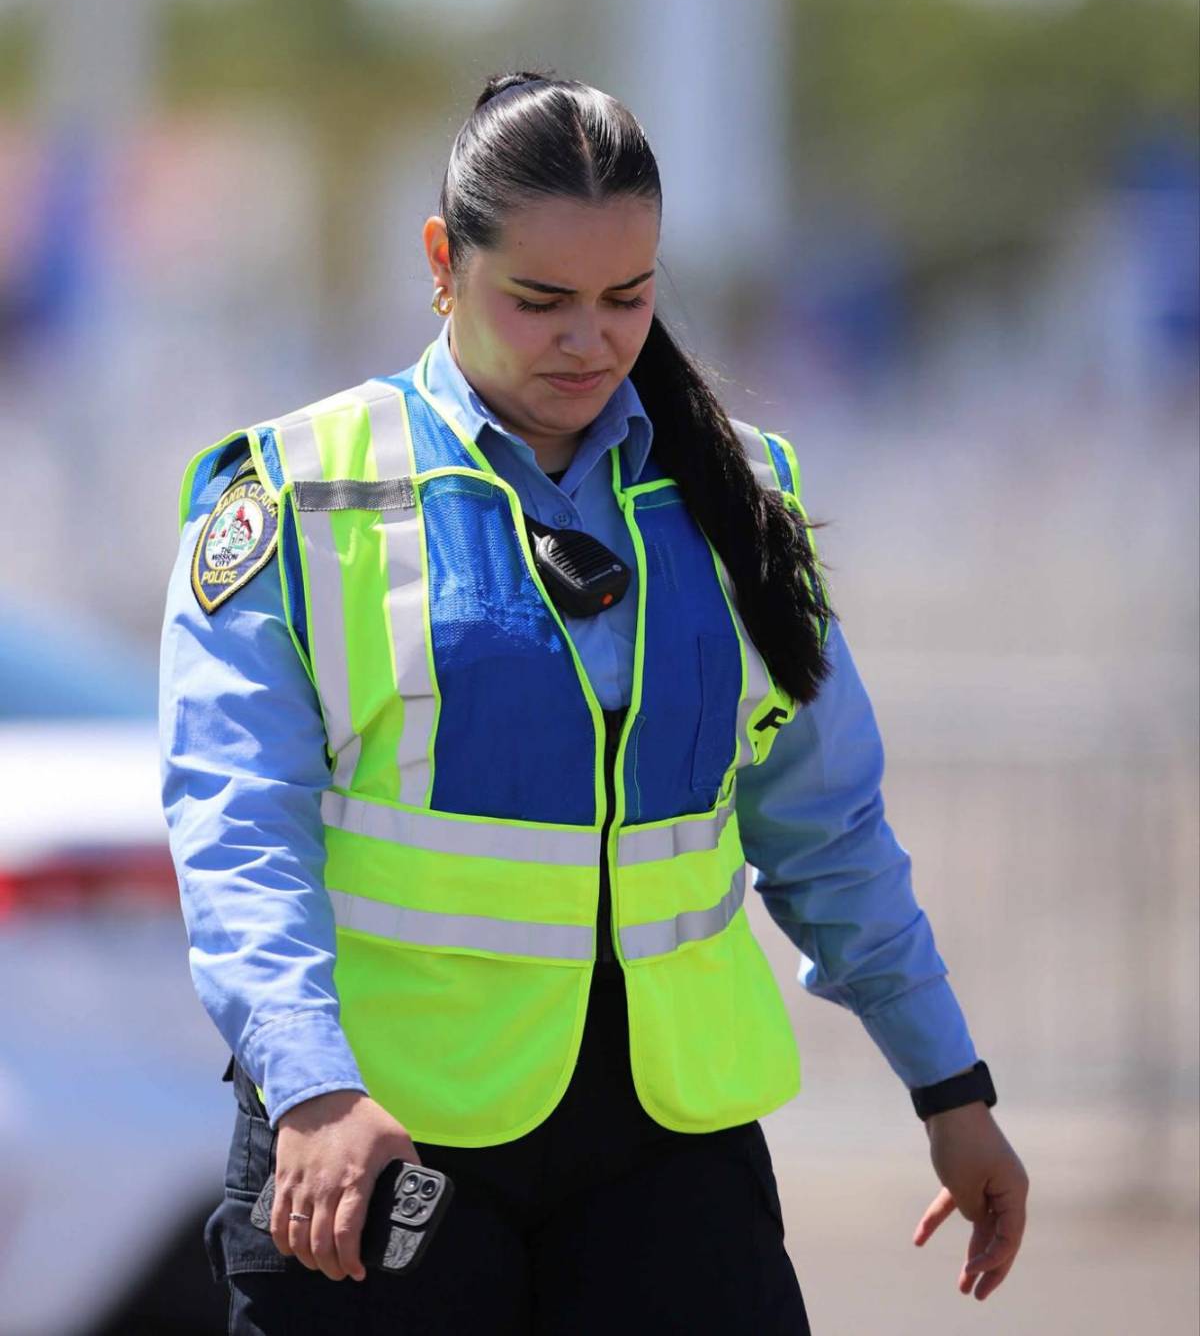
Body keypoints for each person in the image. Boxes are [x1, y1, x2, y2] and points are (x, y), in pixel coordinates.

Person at [159, 70, 1029, 1335]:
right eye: (542, 299)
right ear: (442, 262)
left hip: (668, 1157)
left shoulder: (744, 492)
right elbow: (238, 830)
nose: (592, 339)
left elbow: (826, 826)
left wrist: (951, 1085)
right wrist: (308, 1090)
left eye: (629, 296)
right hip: (377, 1147)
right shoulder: (295, 492)